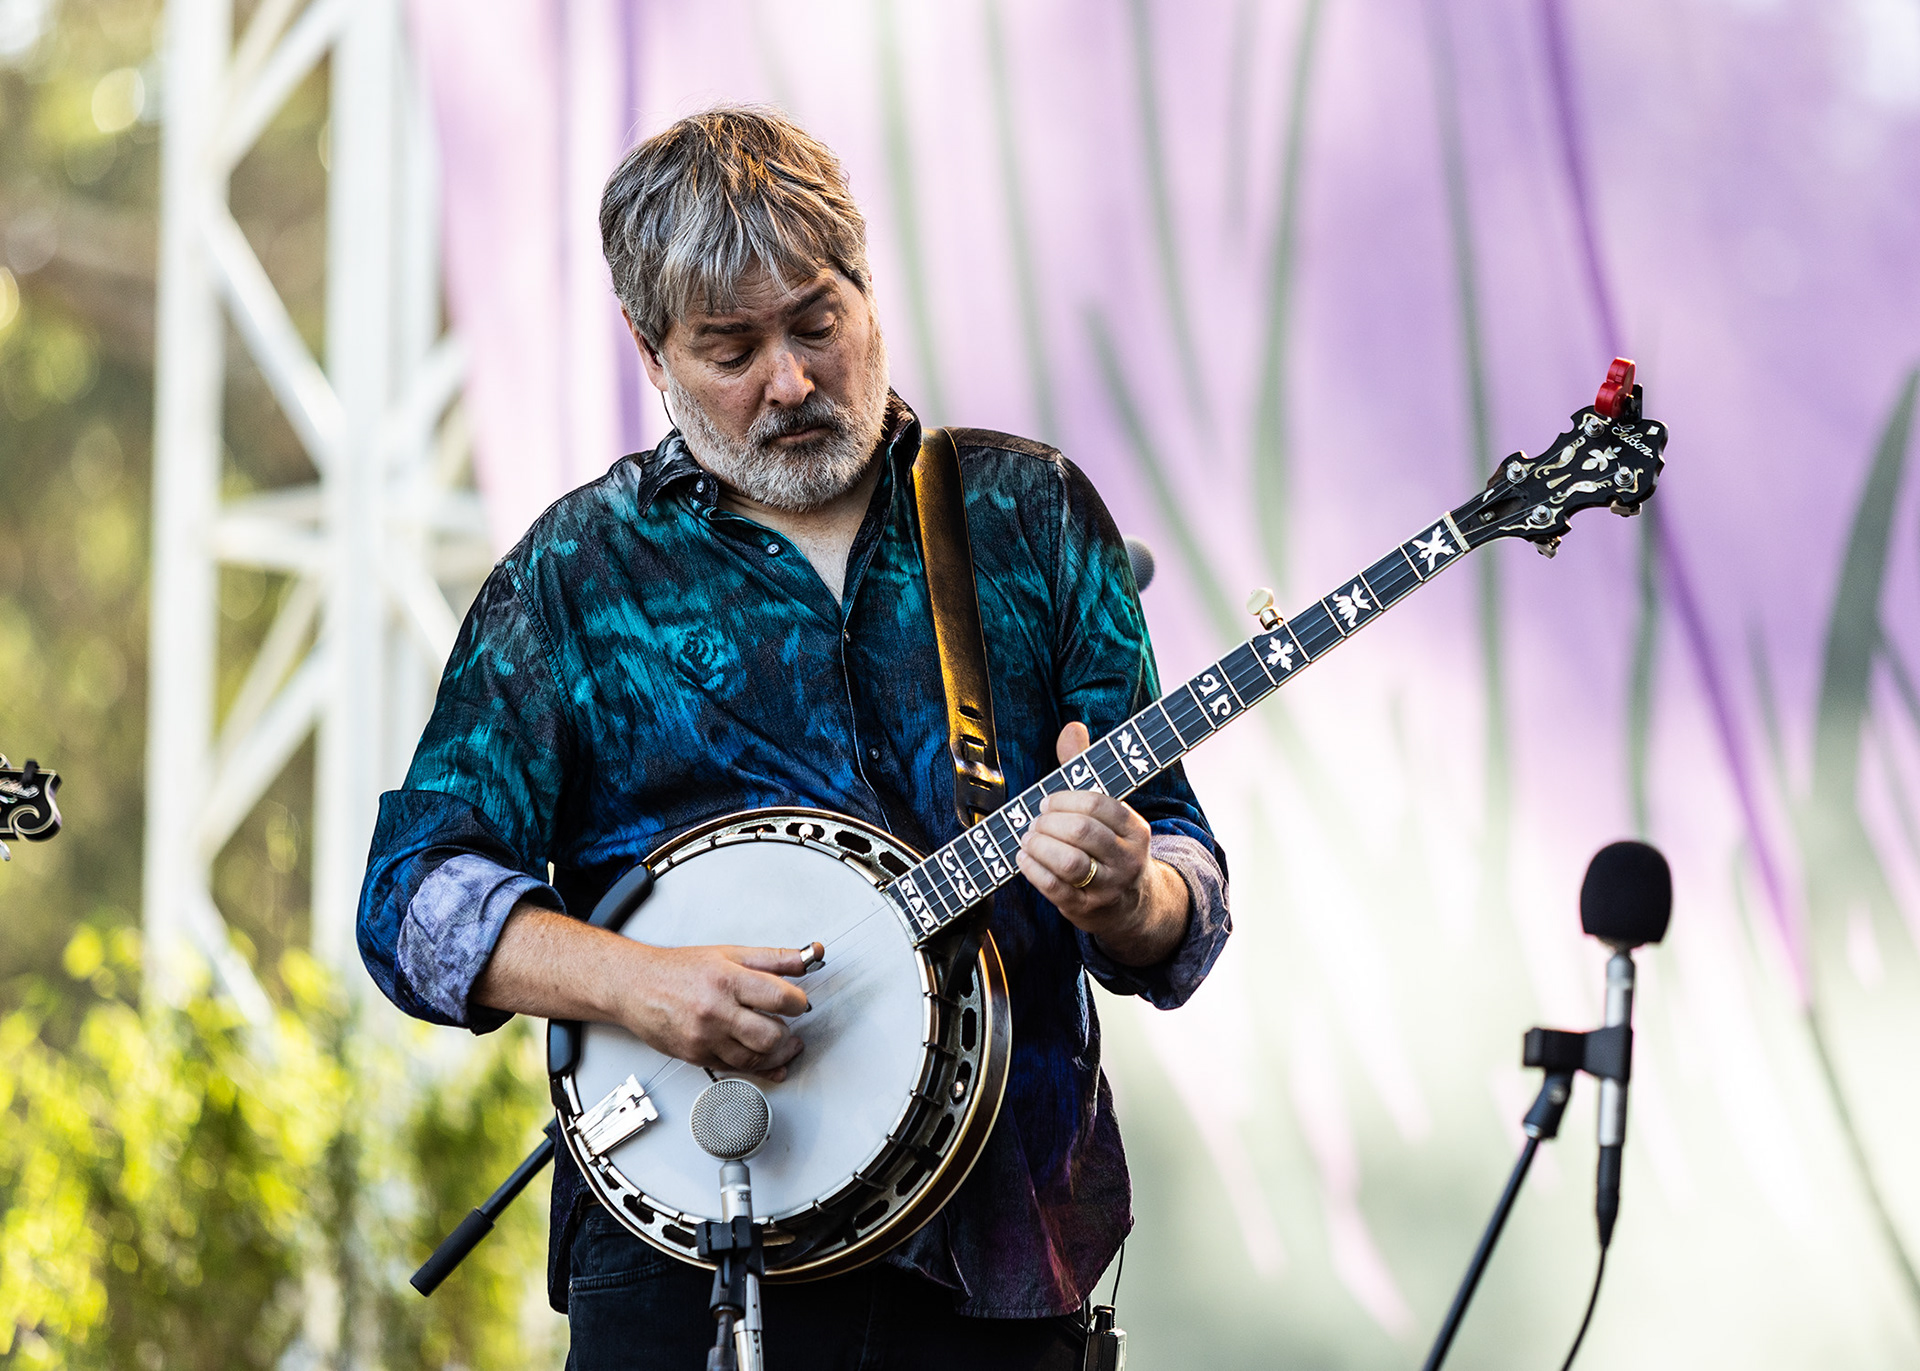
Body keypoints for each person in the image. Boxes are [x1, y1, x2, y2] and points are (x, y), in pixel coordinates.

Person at [358, 107, 1231, 1371]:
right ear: (647, 349)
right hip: (692, 1255)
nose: (791, 381)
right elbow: (410, 902)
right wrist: (639, 985)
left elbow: (1185, 894)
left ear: (869, 289)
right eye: (730, 347)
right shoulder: (576, 576)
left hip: (1005, 1258)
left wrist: (1130, 892)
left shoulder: (1029, 519)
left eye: (817, 323)